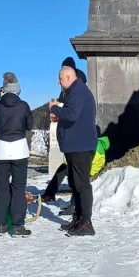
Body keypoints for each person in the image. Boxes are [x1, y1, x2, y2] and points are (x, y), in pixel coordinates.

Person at [49, 65, 97, 236]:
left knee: (82, 184)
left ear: (68, 78)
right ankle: (78, 219)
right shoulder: (76, 92)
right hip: (75, 145)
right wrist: (59, 116)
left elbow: (72, 114)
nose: (58, 81)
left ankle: (86, 222)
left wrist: (54, 108)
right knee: (75, 183)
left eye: (60, 78)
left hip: (81, 146)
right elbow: (72, 116)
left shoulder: (78, 91)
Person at [0, 72, 33, 237]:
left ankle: (1, 225)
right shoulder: (24, 106)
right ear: (18, 89)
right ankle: (18, 226)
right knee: (18, 188)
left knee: (2, 188)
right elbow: (30, 125)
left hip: (2, 150)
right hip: (19, 149)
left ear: (4, 89)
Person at [42, 127, 109, 203]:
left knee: (72, 173)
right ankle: (50, 194)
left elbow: (83, 161)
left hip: (89, 170)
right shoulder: (98, 143)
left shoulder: (93, 145)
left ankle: (71, 204)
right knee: (65, 168)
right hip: (89, 168)